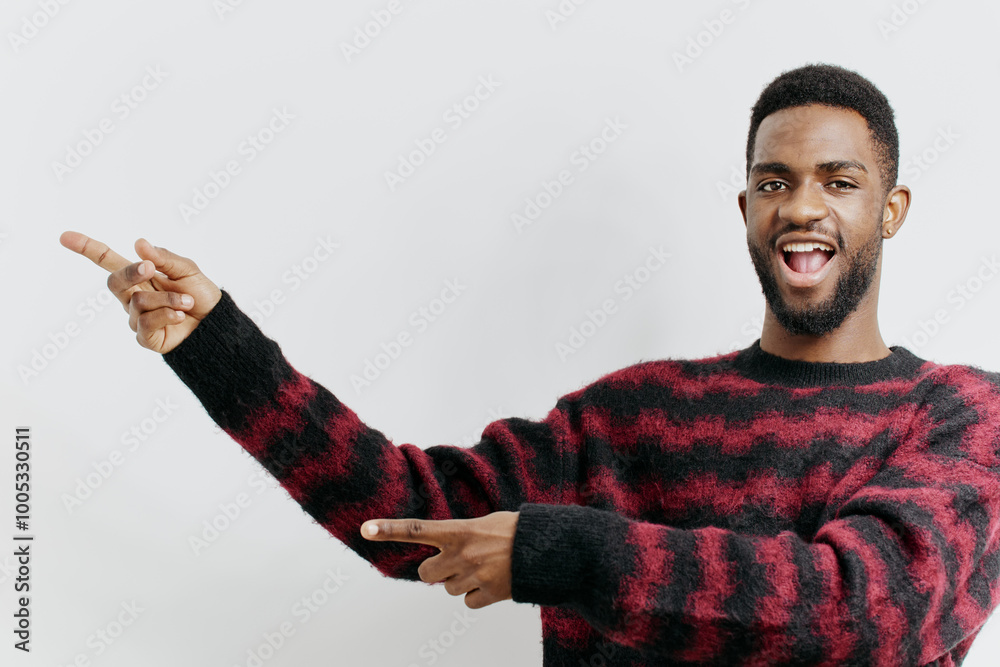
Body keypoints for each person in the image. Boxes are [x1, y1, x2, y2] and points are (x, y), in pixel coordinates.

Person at [61, 63, 1000, 666]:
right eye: (773, 181)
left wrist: (560, 551)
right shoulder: (632, 414)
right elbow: (402, 514)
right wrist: (216, 346)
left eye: (840, 181)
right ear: (746, 205)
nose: (803, 207)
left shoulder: (960, 414)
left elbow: (871, 610)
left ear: (893, 208)